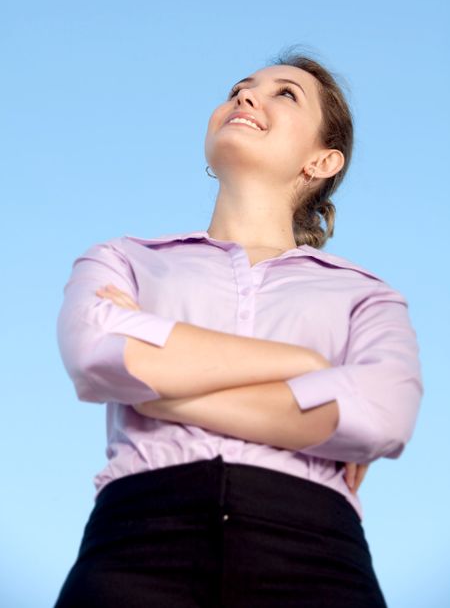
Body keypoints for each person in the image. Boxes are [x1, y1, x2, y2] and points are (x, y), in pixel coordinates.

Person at [53, 50, 423, 607]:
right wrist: (305, 366)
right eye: (240, 88)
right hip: (137, 545)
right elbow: (96, 356)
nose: (245, 97)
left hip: (314, 555)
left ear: (323, 161)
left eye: (285, 94)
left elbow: (382, 415)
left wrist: (163, 395)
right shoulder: (123, 258)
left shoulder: (366, 295)